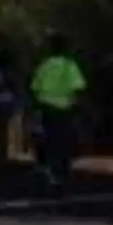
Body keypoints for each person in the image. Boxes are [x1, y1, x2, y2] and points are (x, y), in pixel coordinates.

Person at [29, 33, 88, 187]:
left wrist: (35, 107)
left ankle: (49, 169)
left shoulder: (45, 65)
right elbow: (78, 87)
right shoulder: (69, 65)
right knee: (65, 140)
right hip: (65, 108)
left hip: (47, 107)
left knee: (48, 139)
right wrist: (78, 105)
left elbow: (35, 88)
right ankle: (63, 170)